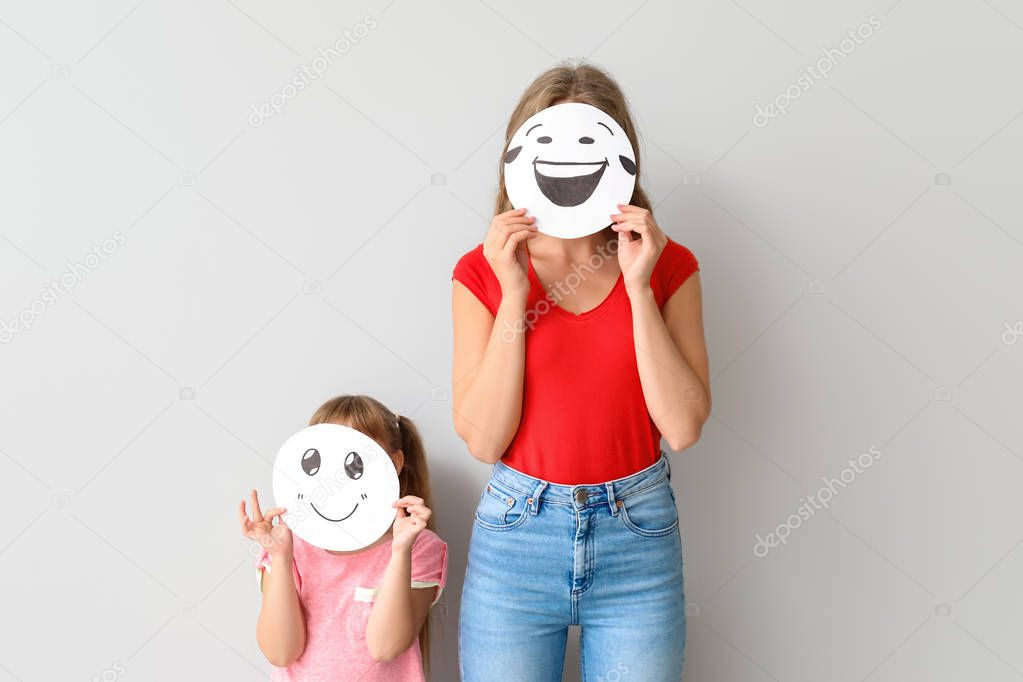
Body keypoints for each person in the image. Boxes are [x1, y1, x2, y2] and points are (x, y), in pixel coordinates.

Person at [452, 63, 711, 681]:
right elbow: (484, 440)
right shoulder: (480, 274)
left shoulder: (670, 266)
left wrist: (639, 289)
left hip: (637, 537)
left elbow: (682, 428)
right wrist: (514, 296)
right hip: (517, 537)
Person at [239, 395, 447, 681]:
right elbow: (281, 652)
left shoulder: (418, 547)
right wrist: (282, 558)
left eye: (353, 465)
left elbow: (385, 647)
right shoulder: (289, 545)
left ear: (395, 463)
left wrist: (400, 552)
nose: (335, 479)